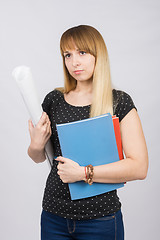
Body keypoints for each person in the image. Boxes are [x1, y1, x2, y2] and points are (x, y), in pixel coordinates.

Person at [27, 25, 148, 240]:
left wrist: (84, 173)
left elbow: (139, 167)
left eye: (82, 52)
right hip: (54, 216)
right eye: (68, 54)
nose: (75, 62)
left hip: (100, 219)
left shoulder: (118, 101)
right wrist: (36, 144)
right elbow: (39, 157)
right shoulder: (54, 100)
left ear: (98, 55)